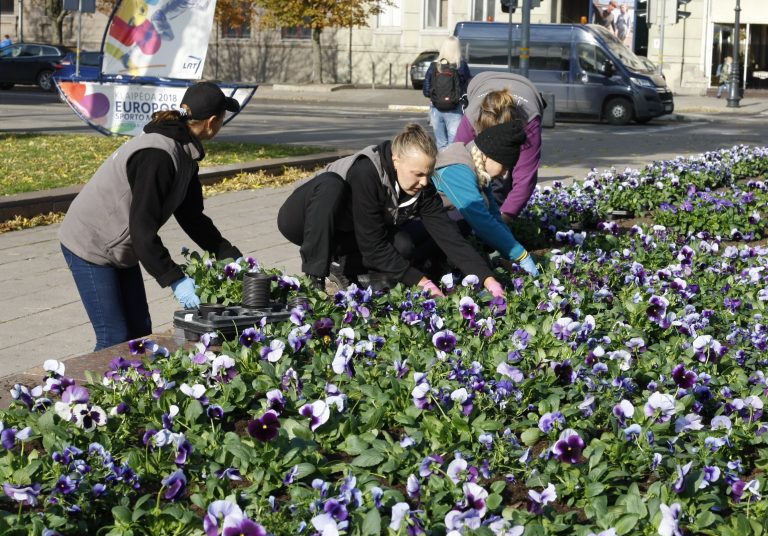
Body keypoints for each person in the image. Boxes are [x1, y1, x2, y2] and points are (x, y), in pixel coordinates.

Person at [59, 81, 243, 351]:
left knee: (140, 335)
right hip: (90, 243)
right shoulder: (157, 156)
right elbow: (142, 228)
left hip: (122, 244)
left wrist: (231, 256)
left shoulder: (184, 153)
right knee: (114, 338)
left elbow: (192, 217)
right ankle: (92, 391)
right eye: (223, 118)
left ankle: (128, 391)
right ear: (212, 122)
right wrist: (175, 279)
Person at [277, 123, 504, 299]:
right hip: (303, 221)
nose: (425, 182)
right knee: (331, 184)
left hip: (346, 232)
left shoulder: (423, 186)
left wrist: (488, 279)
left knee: (403, 245)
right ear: (396, 160)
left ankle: (348, 272)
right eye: (418, 174)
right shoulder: (366, 172)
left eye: (428, 173)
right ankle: (316, 278)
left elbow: (448, 236)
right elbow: (372, 245)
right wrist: (423, 282)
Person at [433, 120, 539, 277]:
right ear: (487, 155)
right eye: (504, 166)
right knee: (463, 217)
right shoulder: (457, 168)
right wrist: (521, 255)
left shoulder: (479, 170)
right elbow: (481, 220)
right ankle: (433, 266)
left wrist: (513, 250)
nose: (504, 174)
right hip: (415, 229)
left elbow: (494, 215)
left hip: (437, 228)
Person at [454, 73, 544, 224]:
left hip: (527, 90)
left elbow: (525, 179)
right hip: (481, 83)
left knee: (502, 181)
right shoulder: (472, 119)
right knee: (481, 172)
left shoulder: (528, 124)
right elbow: (456, 164)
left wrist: (504, 219)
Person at [423, 36, 471, 149]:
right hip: (455, 109)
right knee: (454, 144)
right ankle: (451, 165)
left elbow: (426, 91)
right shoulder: (461, 66)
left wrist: (437, 95)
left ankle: (441, 166)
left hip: (436, 108)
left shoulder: (434, 66)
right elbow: (466, 89)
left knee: (441, 144)